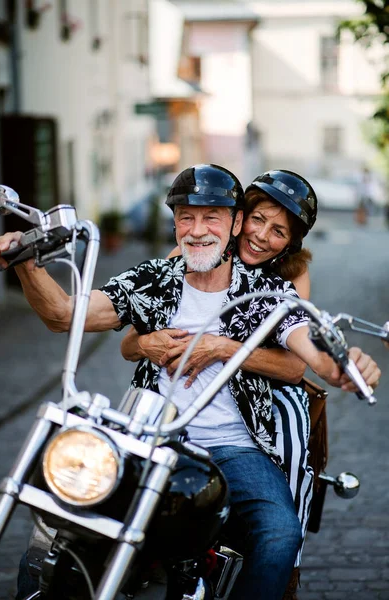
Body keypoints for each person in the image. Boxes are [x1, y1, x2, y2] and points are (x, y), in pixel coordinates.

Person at [0, 164, 380, 600]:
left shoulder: (267, 291)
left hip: (235, 446)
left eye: (212, 217)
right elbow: (65, 314)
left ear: (233, 222)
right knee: (58, 529)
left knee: (280, 533)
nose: (197, 230)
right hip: (152, 437)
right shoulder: (153, 279)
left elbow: (308, 348)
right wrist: (25, 264)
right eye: (186, 217)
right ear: (174, 223)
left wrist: (346, 364)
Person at [120, 169, 317, 591]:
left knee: (294, 435)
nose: (262, 236)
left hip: (268, 386)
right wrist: (149, 343)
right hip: (174, 412)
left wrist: (223, 347)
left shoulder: (288, 277)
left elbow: (296, 362)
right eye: (258, 220)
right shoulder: (189, 253)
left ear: (292, 242)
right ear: (240, 217)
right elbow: (129, 342)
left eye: (279, 231)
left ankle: (288, 562)